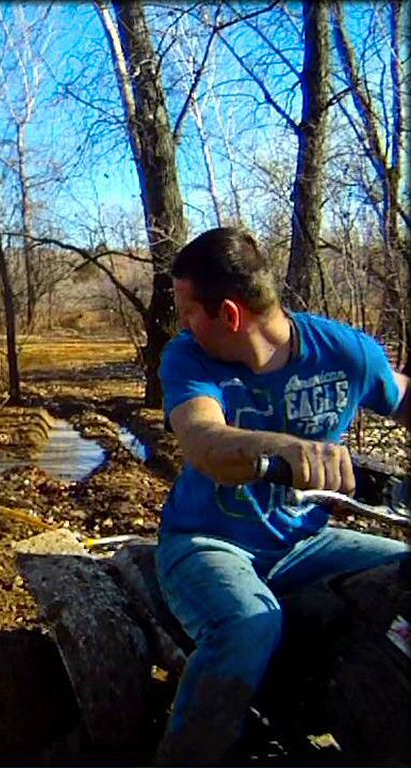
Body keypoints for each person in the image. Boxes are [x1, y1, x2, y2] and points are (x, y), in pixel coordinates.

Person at [154, 226, 411, 764]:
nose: (181, 326)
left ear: (229, 314)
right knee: (250, 625)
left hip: (305, 543)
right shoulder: (188, 359)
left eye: (186, 312)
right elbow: (204, 441)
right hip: (206, 542)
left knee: (404, 577)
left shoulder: (346, 354)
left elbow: (402, 393)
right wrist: (287, 448)